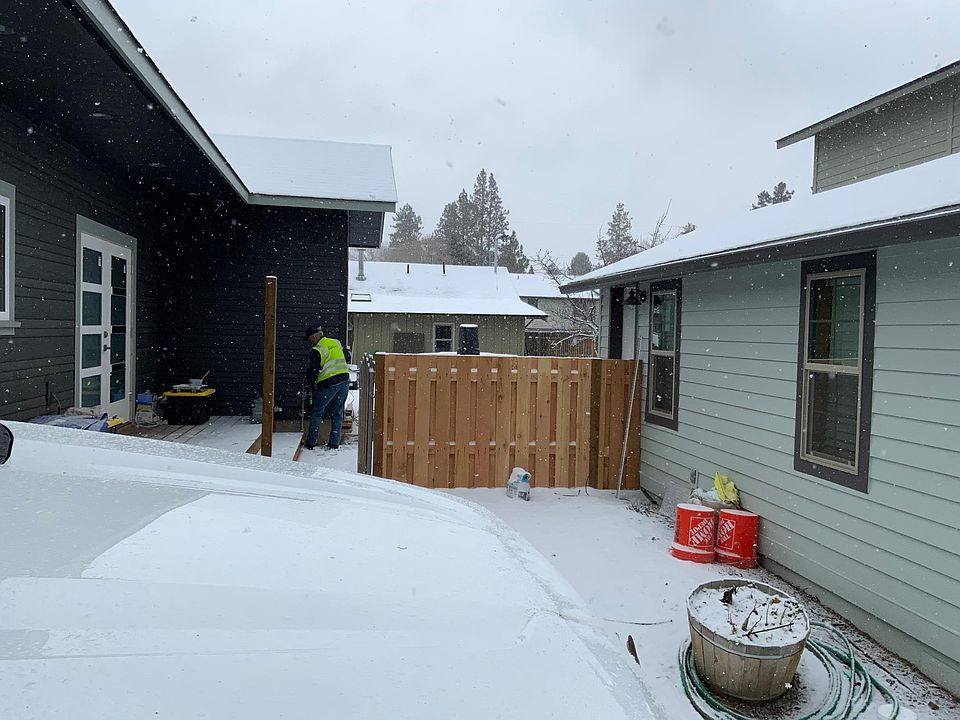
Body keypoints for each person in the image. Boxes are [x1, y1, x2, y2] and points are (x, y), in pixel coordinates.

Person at [302, 325, 351, 450]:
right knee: (338, 412)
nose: (309, 342)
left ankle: (311, 442)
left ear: (314, 337)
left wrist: (308, 383)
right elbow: (348, 357)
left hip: (328, 384)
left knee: (317, 412)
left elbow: (313, 372)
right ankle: (334, 443)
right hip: (344, 381)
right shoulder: (336, 342)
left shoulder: (317, 350)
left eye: (309, 339)